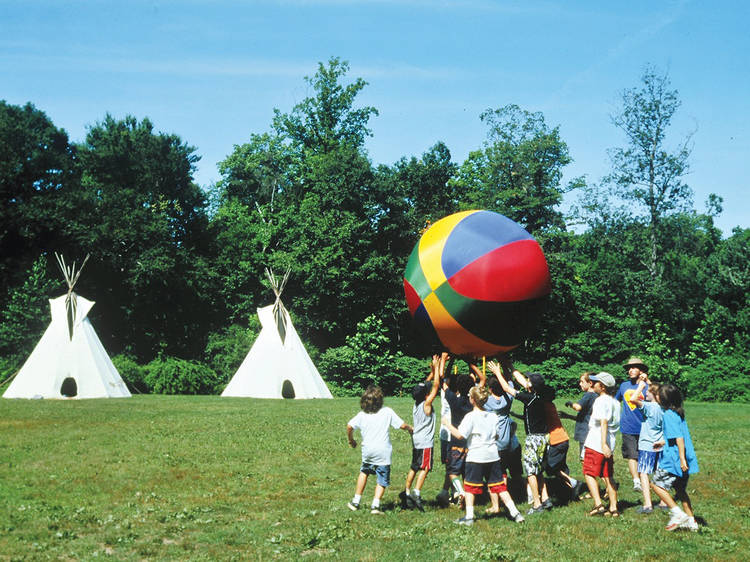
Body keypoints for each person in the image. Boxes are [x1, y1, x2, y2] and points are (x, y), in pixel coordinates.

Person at [442, 385, 525, 525]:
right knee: (499, 487)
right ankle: (516, 513)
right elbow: (497, 435)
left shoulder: (470, 417)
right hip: (493, 456)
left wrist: (447, 424)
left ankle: (469, 517)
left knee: (469, 488)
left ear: (472, 400)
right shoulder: (493, 416)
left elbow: (460, 435)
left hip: (476, 457)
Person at [489, 358, 549, 516]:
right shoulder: (541, 395)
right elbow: (522, 381)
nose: (526, 381)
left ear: (531, 387)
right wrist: (509, 365)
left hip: (533, 439)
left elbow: (506, 388)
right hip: (544, 438)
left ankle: (537, 504)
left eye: (528, 381)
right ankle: (546, 498)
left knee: (530, 472)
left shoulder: (529, 399)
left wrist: (497, 372)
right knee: (539, 469)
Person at [347, 384, 413, 514]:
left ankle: (356, 501)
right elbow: (402, 425)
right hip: (383, 452)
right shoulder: (387, 411)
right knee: (382, 478)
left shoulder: (361, 415)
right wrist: (410, 428)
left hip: (367, 451)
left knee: (364, 472)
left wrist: (351, 440)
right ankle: (375, 505)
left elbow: (349, 426)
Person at [650, 384, 700, 531]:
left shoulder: (668, 416)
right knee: (680, 490)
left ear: (664, 399)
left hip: (674, 460)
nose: (656, 396)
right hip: (684, 458)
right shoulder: (677, 413)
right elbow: (678, 435)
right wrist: (664, 441)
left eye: (658, 394)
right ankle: (692, 522)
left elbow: (679, 438)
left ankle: (677, 513)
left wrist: (681, 459)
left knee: (656, 484)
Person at [401, 353, 444, 511]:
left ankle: (406, 492)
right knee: (425, 467)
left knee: (414, 466)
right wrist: (439, 367)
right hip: (425, 442)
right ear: (426, 395)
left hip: (416, 439)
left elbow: (427, 382)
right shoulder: (427, 404)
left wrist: (433, 368)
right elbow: (435, 386)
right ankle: (416, 493)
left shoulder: (417, 402)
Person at [582, 372, 621, 517]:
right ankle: (613, 507)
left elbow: (603, 421)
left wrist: (603, 443)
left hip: (597, 442)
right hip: (610, 444)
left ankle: (598, 504)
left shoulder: (600, 401)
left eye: (595, 382)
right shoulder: (616, 403)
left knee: (589, 473)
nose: (593, 384)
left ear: (602, 386)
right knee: (608, 475)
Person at [629, 374, 664, 514]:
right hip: (660, 445)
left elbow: (632, 399)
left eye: (648, 392)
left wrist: (640, 386)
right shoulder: (665, 408)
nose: (646, 393)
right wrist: (649, 382)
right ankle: (663, 501)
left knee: (644, 473)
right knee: (659, 473)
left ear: (654, 394)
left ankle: (648, 504)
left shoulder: (649, 407)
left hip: (646, 445)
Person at [441, 369, 475, 507]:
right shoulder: (474, 402)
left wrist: (443, 364)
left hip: (455, 441)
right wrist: (471, 363)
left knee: (452, 471)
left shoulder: (453, 400)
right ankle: (467, 496)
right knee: (466, 473)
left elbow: (444, 384)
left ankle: (461, 492)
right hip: (470, 443)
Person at [616, 357, 649, 491]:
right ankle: (636, 481)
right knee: (631, 455)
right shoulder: (624, 385)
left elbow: (658, 396)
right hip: (628, 426)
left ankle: (645, 480)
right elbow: (615, 400)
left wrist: (647, 381)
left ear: (641, 370)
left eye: (634, 367)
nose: (630, 370)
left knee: (644, 455)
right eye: (629, 368)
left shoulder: (647, 386)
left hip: (645, 426)